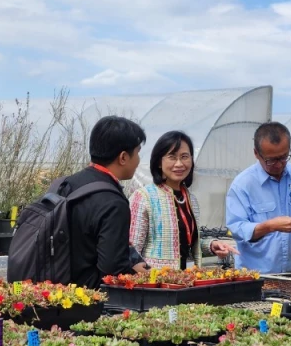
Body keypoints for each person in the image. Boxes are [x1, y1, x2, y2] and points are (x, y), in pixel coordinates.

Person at [226, 121, 291, 275]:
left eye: (283, 157)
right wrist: (269, 226)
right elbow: (237, 229)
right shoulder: (243, 185)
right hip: (256, 275)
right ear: (256, 153)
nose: (278, 165)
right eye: (271, 160)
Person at [129, 131, 234, 269]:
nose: (179, 164)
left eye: (184, 157)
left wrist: (212, 245)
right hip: (156, 283)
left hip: (186, 281)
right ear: (159, 162)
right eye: (172, 157)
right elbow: (131, 248)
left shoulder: (190, 199)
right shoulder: (144, 197)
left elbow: (186, 243)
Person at [65, 115, 147, 289]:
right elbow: (112, 270)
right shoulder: (113, 202)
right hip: (87, 299)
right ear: (123, 157)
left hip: (53, 290)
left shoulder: (65, 184)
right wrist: (136, 272)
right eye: (138, 153)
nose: (138, 161)